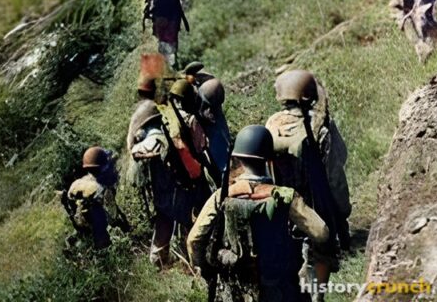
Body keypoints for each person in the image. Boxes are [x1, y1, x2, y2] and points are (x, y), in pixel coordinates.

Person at [187, 125, 334, 302]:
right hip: (278, 286)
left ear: (238, 160)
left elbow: (194, 239)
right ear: (268, 160)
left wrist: (206, 268)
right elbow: (321, 232)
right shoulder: (285, 195)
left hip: (235, 289)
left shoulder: (222, 195)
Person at [127, 56, 211, 268]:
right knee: (185, 216)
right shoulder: (157, 112)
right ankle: (189, 262)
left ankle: (158, 260)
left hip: (158, 178)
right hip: (172, 177)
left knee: (164, 217)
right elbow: (174, 144)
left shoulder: (139, 113)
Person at [266, 70, 351, 248]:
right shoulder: (319, 126)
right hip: (318, 207)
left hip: (285, 202)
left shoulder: (272, 122)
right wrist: (343, 210)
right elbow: (335, 172)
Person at [63, 146, 129, 249]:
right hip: (98, 230)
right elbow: (113, 217)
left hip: (80, 224)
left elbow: (70, 204)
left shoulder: (76, 184)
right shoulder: (102, 189)